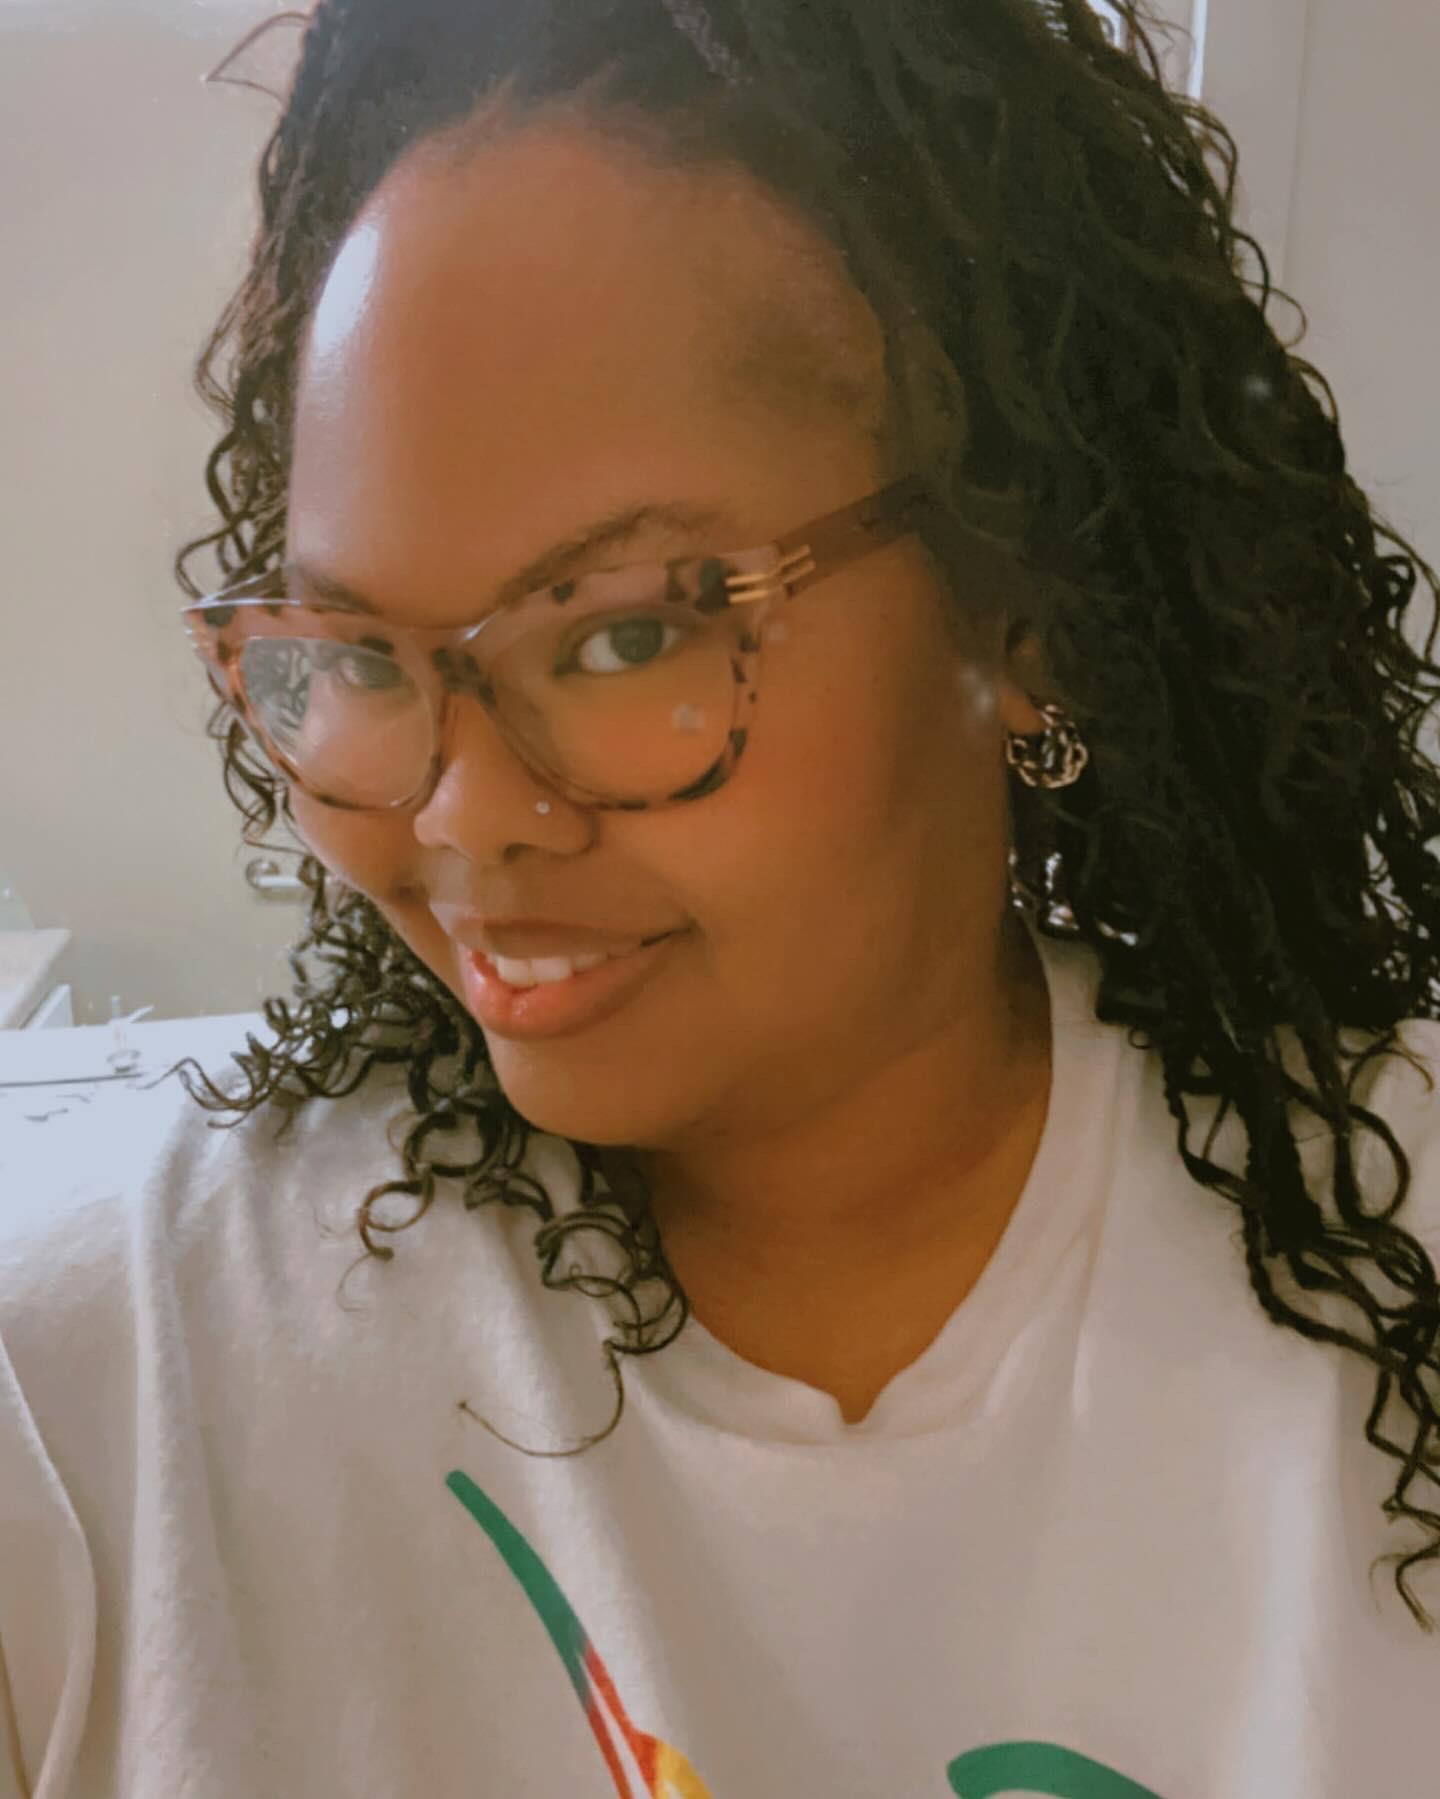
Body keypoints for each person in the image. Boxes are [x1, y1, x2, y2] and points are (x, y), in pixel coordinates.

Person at [4, 1, 1440, 1792]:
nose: (466, 818)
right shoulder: (100, 1392)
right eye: (359, 653)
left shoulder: (1383, 1274)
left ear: (1025, 614)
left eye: (625, 636)